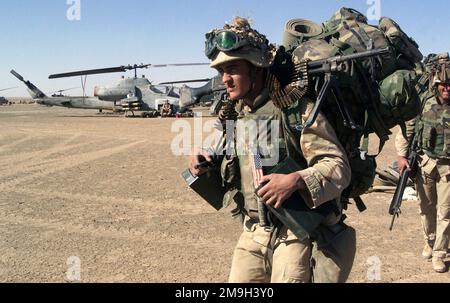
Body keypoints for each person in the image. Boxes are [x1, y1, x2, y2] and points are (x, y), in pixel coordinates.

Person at [188, 17, 352, 283]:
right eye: (221, 72)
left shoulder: (296, 112)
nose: (225, 79)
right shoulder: (235, 114)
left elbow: (337, 166)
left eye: (233, 69)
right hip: (252, 231)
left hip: (293, 234)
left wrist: (295, 180)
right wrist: (202, 156)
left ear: (257, 68)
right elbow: (227, 153)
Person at [395, 53, 450, 273]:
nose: (447, 89)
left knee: (445, 213)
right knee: (426, 208)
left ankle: (440, 252)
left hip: (448, 168)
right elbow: (407, 129)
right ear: (436, 84)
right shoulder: (423, 102)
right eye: (443, 85)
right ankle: (429, 241)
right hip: (425, 162)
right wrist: (401, 155)